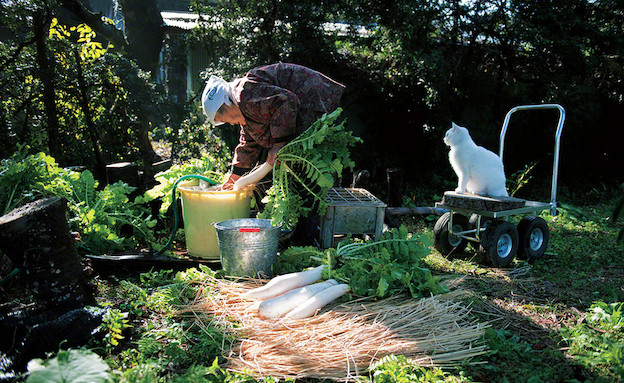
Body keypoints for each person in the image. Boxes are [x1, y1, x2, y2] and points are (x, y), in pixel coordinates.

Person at [201, 63, 345, 190]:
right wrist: (235, 176)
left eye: (224, 119)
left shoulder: (245, 93)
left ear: (226, 105)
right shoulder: (245, 109)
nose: (231, 123)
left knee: (321, 169)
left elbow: (285, 101)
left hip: (317, 101)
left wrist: (278, 146)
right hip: (310, 109)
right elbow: (248, 142)